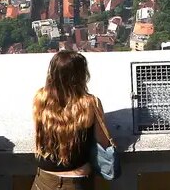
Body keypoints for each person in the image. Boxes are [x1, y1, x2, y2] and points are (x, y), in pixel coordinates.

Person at [33, 50, 113, 190]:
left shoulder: (41, 97)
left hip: (44, 178)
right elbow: (103, 142)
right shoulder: (90, 103)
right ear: (81, 75)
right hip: (76, 181)